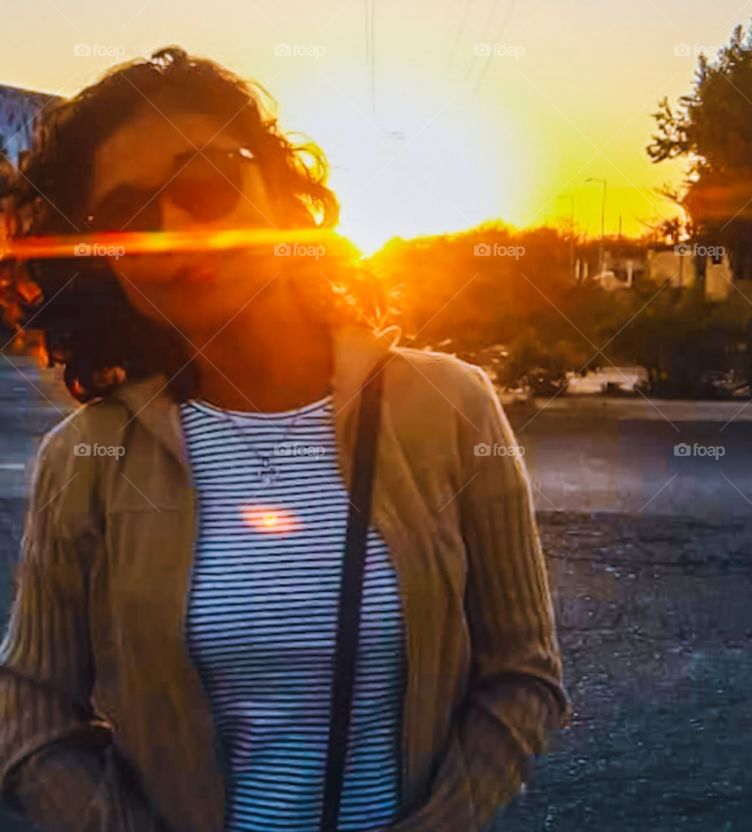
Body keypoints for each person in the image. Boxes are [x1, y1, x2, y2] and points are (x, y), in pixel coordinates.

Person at [0, 46, 570, 832]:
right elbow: (29, 707)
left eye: (204, 182)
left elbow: (522, 675)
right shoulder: (87, 461)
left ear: (278, 193)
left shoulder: (449, 406)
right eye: (126, 213)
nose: (173, 230)